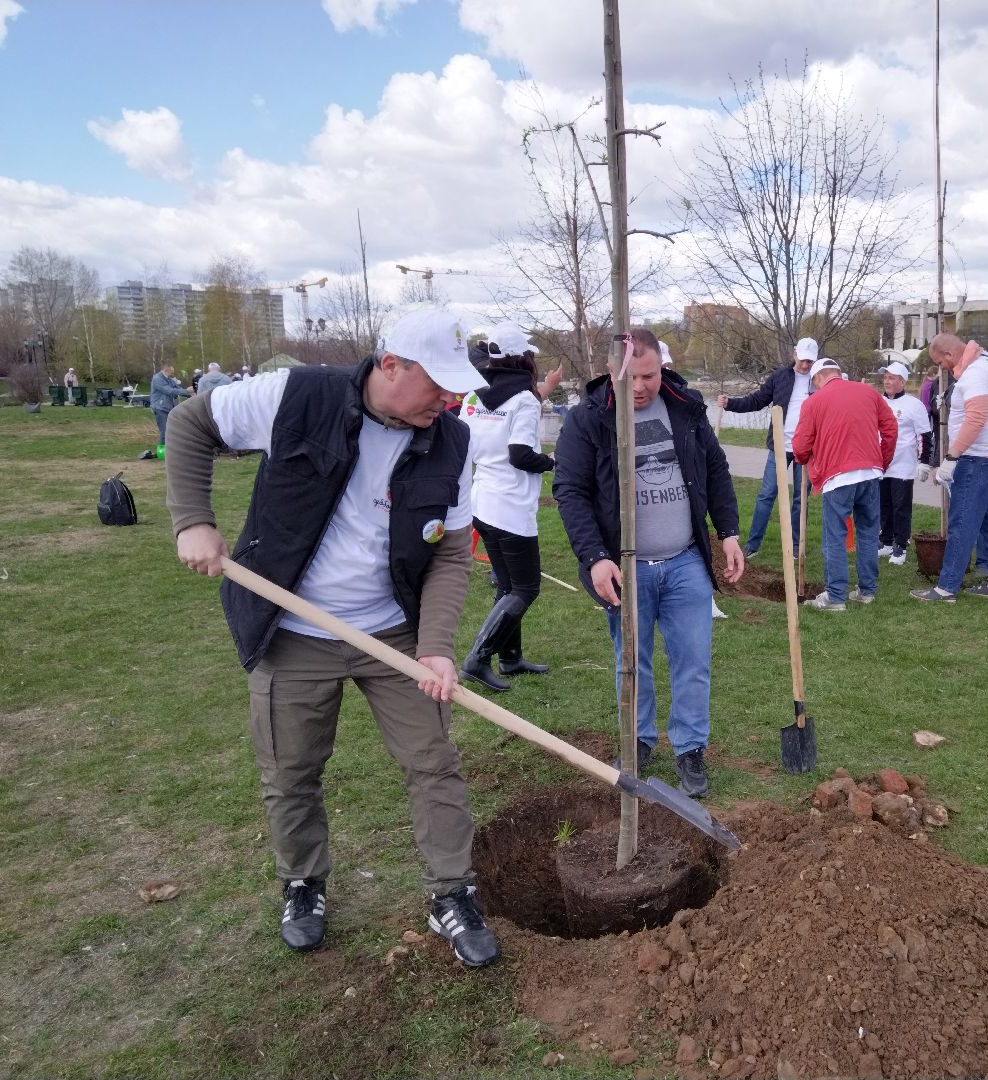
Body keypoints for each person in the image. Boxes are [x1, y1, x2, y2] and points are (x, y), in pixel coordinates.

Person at [164, 307, 501, 967]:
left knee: (433, 764)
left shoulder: (451, 443)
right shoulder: (299, 395)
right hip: (293, 627)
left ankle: (450, 893)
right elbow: (190, 422)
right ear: (392, 366)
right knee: (291, 770)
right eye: (438, 383)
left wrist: (434, 645)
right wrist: (191, 520)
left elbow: (453, 554)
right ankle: (303, 883)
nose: (451, 399)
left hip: (393, 631)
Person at [553, 328, 744, 798]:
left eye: (650, 375)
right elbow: (570, 491)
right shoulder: (588, 420)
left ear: (662, 368)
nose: (640, 387)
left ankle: (690, 748)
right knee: (631, 661)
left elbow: (715, 469)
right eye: (630, 377)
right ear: (609, 371)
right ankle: (637, 740)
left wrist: (729, 532)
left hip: (684, 562)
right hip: (625, 568)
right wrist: (596, 557)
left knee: (693, 661)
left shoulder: (685, 406)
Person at [458, 322, 556, 692]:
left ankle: (510, 657)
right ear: (523, 359)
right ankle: (477, 658)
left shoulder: (473, 394)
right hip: (511, 506)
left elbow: (464, 443)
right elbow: (520, 455)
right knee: (526, 588)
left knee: (507, 583)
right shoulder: (525, 400)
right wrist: (551, 461)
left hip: (481, 500)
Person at [911, 333, 988, 603]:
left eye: (940, 363)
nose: (942, 368)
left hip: (976, 460)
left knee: (962, 523)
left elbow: (976, 419)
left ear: (949, 355)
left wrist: (952, 458)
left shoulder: (976, 374)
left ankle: (946, 587)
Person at [792, 358, 897, 611]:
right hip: (870, 474)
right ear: (838, 373)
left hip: (838, 477)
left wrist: (803, 458)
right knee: (868, 532)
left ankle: (835, 596)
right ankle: (866, 590)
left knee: (835, 536)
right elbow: (891, 427)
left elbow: (800, 446)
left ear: (817, 378)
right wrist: (881, 461)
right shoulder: (868, 392)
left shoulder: (813, 402)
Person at [715, 337, 817, 559]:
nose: (805, 365)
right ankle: (752, 544)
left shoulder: (818, 381)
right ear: (795, 355)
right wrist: (730, 403)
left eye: (810, 361)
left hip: (807, 449)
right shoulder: (780, 376)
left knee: (801, 498)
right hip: (780, 446)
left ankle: (796, 545)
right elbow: (757, 400)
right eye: (802, 359)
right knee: (767, 494)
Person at [877, 360, 934, 565]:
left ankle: (901, 545)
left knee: (900, 506)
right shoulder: (877, 401)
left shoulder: (913, 405)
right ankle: (886, 542)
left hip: (903, 465)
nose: (886, 381)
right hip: (881, 464)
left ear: (902, 382)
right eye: (885, 377)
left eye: (891, 378)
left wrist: (924, 461)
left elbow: (925, 435)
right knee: (883, 505)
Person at [149, 364, 190, 448]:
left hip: (169, 408)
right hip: (160, 408)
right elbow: (169, 391)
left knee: (172, 430)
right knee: (164, 430)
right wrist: (186, 391)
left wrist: (191, 394)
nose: (173, 374)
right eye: (172, 372)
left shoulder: (169, 379)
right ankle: (162, 452)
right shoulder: (157, 379)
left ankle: (170, 450)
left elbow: (177, 388)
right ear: (166, 370)